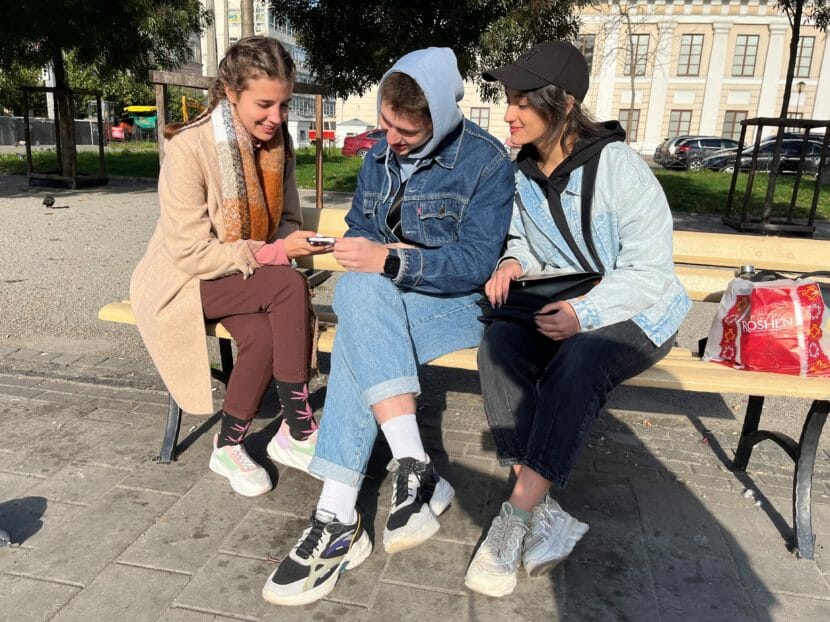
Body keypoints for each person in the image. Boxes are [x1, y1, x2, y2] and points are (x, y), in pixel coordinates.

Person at [262, 47, 514, 606]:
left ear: (440, 120)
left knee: (358, 328)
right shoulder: (379, 158)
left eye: (405, 131)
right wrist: (358, 246)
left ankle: (336, 523)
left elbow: (476, 262)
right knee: (359, 294)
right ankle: (410, 467)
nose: (391, 140)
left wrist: (394, 259)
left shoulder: (486, 162)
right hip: (385, 297)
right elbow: (362, 224)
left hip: (458, 303)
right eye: (386, 124)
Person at [464, 40, 692, 597]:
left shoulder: (621, 171)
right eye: (506, 99)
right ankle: (548, 512)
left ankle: (515, 516)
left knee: (581, 357)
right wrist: (513, 259)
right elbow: (526, 237)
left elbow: (649, 273)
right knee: (498, 343)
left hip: (639, 312)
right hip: (566, 300)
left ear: (562, 104)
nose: (508, 113)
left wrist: (584, 313)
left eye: (521, 101)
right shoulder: (522, 173)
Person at [130, 37, 331, 498]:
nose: (276, 118)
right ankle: (300, 431)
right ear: (231, 92)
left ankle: (229, 444)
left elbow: (288, 223)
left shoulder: (277, 145)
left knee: (262, 334)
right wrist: (273, 254)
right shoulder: (189, 148)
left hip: (239, 280)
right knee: (287, 288)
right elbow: (189, 252)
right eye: (264, 104)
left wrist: (291, 242)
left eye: (283, 104)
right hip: (182, 282)